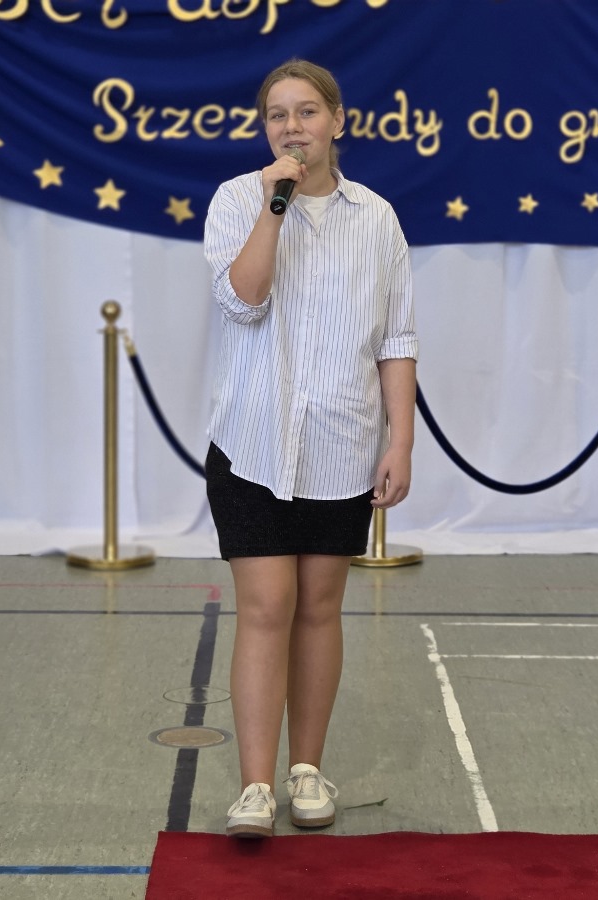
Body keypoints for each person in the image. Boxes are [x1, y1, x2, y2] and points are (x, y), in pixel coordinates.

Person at [202, 58, 417, 839]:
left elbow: (396, 338)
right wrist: (274, 208)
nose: (291, 128)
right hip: (252, 444)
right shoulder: (238, 200)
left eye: (306, 112)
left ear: (337, 120)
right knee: (266, 609)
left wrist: (401, 439)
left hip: (341, 446)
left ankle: (306, 770)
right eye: (276, 115)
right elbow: (245, 298)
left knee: (320, 611)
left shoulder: (377, 219)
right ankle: (256, 785)